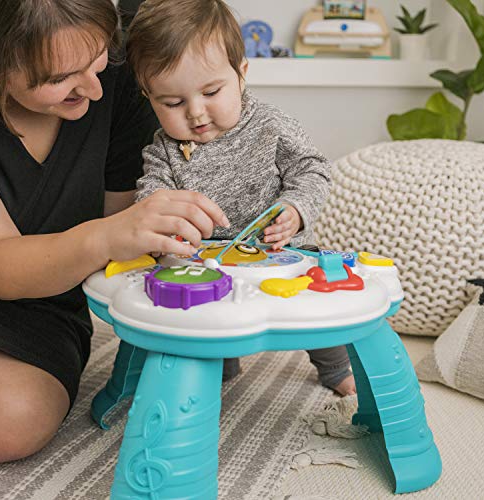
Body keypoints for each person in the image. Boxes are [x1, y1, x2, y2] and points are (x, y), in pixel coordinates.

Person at [0, 0, 229, 463]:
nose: (93, 88)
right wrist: (109, 234)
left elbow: (125, 242)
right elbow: (1, 262)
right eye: (59, 78)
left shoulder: (117, 86)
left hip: (42, 309)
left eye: (98, 54)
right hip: (6, 273)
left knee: (12, 419)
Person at [127, 0, 356, 395]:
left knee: (312, 305)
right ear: (148, 97)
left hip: (279, 251)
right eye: (173, 103)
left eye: (212, 91)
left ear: (241, 74)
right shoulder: (163, 149)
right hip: (204, 260)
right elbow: (151, 198)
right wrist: (165, 230)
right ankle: (221, 364)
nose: (196, 113)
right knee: (199, 315)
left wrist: (295, 210)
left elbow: (313, 170)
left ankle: (335, 368)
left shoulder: (271, 125)